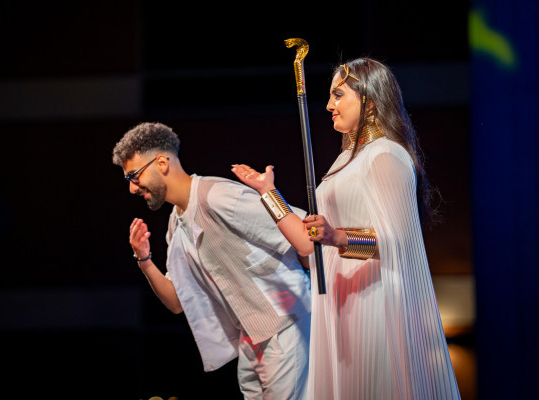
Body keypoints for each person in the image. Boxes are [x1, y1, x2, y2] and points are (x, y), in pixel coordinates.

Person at [232, 58, 460, 399]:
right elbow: (309, 246)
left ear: (369, 100)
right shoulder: (343, 162)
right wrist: (269, 194)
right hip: (339, 304)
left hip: (374, 301)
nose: (329, 105)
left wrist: (337, 236)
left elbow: (397, 243)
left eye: (338, 95)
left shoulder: (386, 154)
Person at [112, 122, 312, 400]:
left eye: (134, 176)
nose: (132, 188)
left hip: (286, 325)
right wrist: (144, 260)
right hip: (251, 337)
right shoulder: (175, 222)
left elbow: (304, 231)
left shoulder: (216, 195)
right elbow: (176, 301)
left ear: (161, 162)